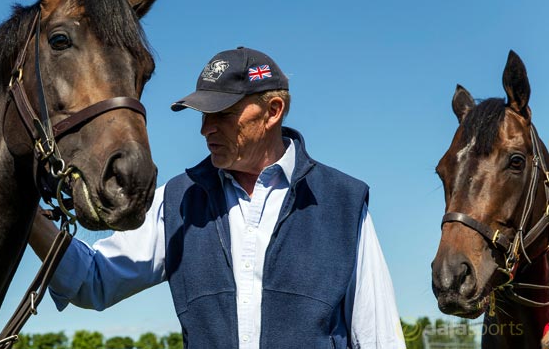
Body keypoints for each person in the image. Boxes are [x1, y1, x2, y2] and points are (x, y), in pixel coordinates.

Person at [30, 47, 406, 349]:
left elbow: (378, 338)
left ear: (273, 111)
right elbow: (92, 278)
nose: (205, 128)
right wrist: (26, 212)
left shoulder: (342, 201)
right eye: (202, 114)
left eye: (221, 113)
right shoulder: (179, 200)